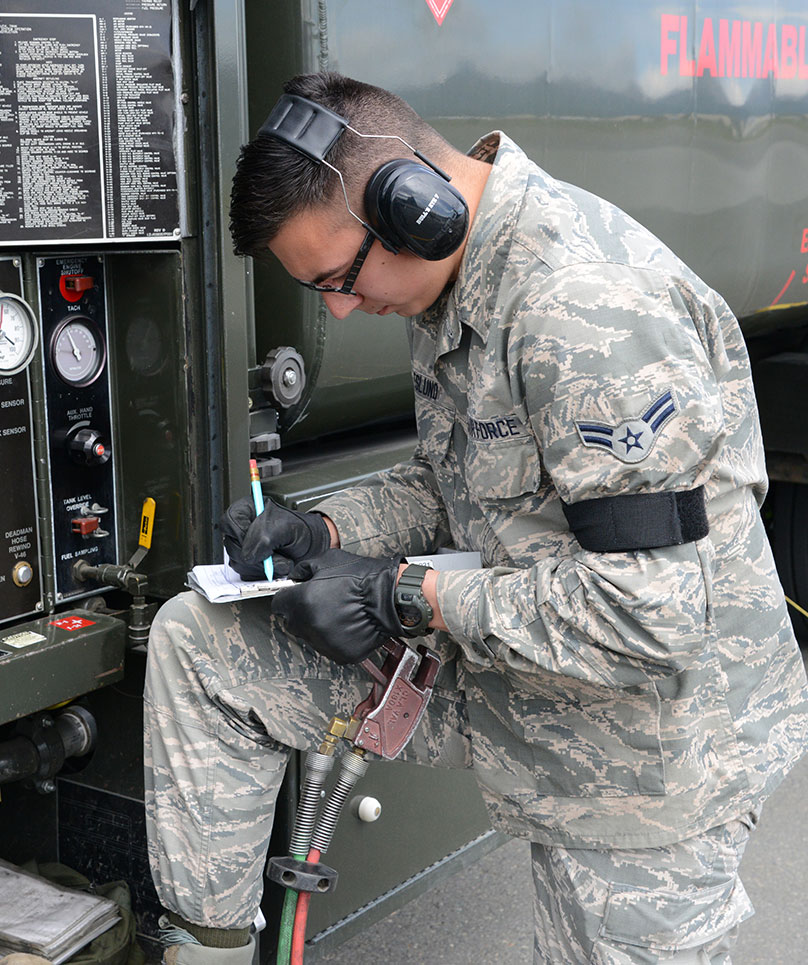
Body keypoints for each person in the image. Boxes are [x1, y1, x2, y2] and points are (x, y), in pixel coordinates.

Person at [144, 71, 808, 964]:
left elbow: (649, 614)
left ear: (417, 204)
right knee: (205, 644)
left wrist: (402, 596)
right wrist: (327, 531)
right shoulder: (452, 279)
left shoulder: (581, 310)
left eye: (340, 276)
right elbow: (453, 478)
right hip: (529, 672)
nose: (340, 306)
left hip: (654, 745)